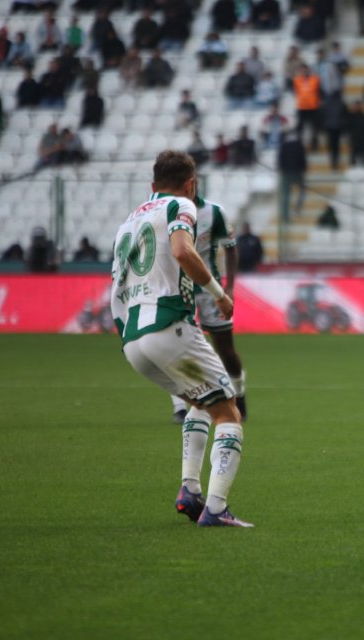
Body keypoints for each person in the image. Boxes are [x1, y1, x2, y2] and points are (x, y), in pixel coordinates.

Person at [110, 151, 251, 527]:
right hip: (170, 327)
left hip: (133, 342)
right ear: (191, 184)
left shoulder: (128, 221)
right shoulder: (182, 206)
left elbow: (117, 283)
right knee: (229, 412)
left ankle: (190, 489)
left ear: (152, 186)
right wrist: (219, 294)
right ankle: (217, 509)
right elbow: (181, 251)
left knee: (200, 402)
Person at [167, 193, 249, 423]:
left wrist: (230, 286)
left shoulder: (214, 212)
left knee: (226, 351)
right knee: (174, 348)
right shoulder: (164, 211)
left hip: (210, 292)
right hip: (177, 292)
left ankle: (240, 396)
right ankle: (180, 407)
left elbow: (231, 248)